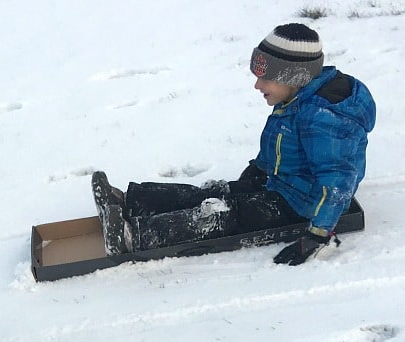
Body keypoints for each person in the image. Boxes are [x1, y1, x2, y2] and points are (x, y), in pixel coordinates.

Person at [91, 23, 376, 266]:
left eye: (265, 78)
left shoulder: (324, 118)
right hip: (282, 182)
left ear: (293, 77)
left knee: (222, 214)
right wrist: (259, 169)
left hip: (303, 204)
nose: (257, 85)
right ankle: (131, 200)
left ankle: (133, 236)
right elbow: (281, 143)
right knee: (217, 192)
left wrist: (317, 236)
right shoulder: (296, 97)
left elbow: (337, 181)